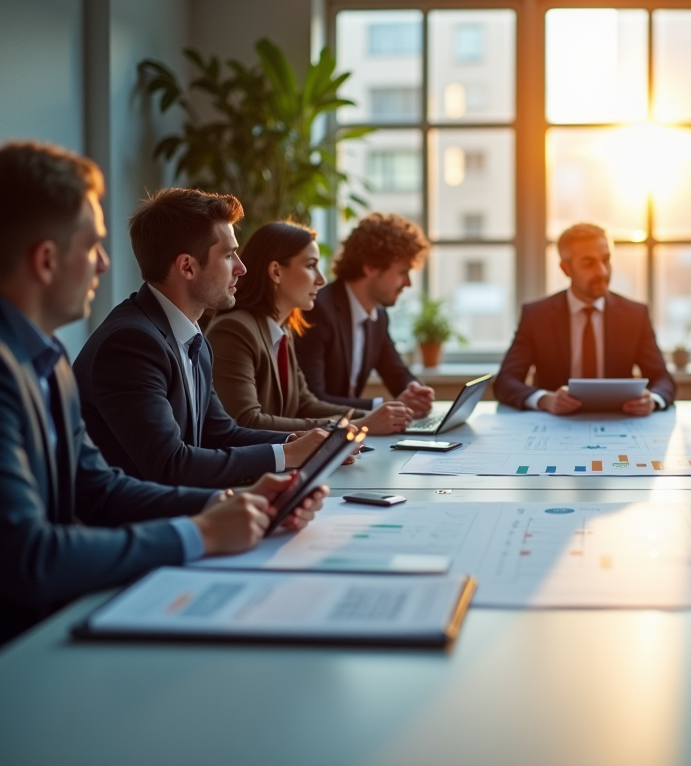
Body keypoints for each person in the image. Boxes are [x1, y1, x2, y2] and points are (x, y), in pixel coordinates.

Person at [0, 141, 325, 643]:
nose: (104, 264)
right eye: (91, 246)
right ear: (46, 261)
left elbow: (100, 486)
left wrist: (232, 503)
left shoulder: (50, 359)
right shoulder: (120, 342)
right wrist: (202, 531)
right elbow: (30, 558)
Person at [74, 188, 330, 488]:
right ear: (187, 266)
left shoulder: (192, 337)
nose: (242, 268)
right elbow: (170, 466)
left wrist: (298, 442)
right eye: (229, 255)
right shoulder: (130, 344)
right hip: (131, 526)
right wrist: (286, 454)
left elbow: (220, 433)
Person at [207, 221, 414, 434]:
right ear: (276, 272)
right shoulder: (234, 330)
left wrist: (378, 417)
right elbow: (247, 422)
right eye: (310, 266)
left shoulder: (281, 331)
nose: (321, 279)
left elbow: (305, 404)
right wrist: (358, 426)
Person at [495, 223, 675, 415]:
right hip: (556, 427)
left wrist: (653, 400)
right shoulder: (537, 315)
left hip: (618, 422)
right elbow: (505, 381)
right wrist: (545, 400)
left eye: (606, 260)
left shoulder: (635, 315)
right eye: (589, 263)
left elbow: (663, 379)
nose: (602, 272)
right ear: (566, 269)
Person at [296, 213, 435, 418]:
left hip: (353, 436)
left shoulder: (378, 316)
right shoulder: (318, 310)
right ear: (370, 266)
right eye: (402, 272)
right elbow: (313, 400)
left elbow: (396, 372)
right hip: (318, 437)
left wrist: (414, 390)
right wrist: (382, 406)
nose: (408, 283)